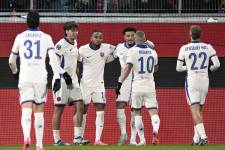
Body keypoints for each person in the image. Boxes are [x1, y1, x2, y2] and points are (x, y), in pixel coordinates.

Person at [8, 10, 61, 150]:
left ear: (27, 22)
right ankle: (39, 145)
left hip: (25, 76)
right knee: (39, 110)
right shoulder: (46, 37)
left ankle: (26, 136)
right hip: (40, 77)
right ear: (39, 21)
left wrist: (15, 73)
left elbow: (11, 61)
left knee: (26, 108)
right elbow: (53, 60)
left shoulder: (19, 37)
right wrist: (56, 76)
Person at [176, 25, 220, 146]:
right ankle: (196, 139)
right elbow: (217, 64)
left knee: (194, 110)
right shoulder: (208, 47)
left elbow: (178, 68)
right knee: (199, 111)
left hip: (192, 80)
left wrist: (189, 67)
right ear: (200, 34)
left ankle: (204, 137)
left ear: (190, 34)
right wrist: (207, 69)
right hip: (204, 80)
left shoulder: (184, 48)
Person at [116, 31, 160, 146]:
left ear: (135, 39)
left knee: (137, 112)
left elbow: (127, 68)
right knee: (153, 111)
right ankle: (155, 130)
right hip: (150, 84)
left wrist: (120, 82)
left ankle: (142, 140)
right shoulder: (153, 52)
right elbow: (155, 69)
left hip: (137, 85)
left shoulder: (132, 51)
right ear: (145, 39)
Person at [52, 21, 87, 146]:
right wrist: (64, 74)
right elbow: (54, 62)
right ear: (66, 31)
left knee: (80, 105)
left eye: (76, 30)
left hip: (74, 81)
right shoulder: (60, 45)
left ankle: (77, 138)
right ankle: (57, 140)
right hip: (61, 81)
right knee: (59, 109)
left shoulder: (75, 43)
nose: (74, 32)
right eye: (71, 30)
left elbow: (75, 63)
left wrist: (76, 75)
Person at [78, 30, 116, 145]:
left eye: (100, 37)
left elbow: (118, 50)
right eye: (96, 37)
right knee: (82, 111)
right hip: (85, 85)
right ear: (91, 38)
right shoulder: (82, 49)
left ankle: (97, 139)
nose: (98, 39)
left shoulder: (107, 47)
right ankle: (80, 137)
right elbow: (76, 62)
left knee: (100, 110)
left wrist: (109, 58)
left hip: (99, 85)